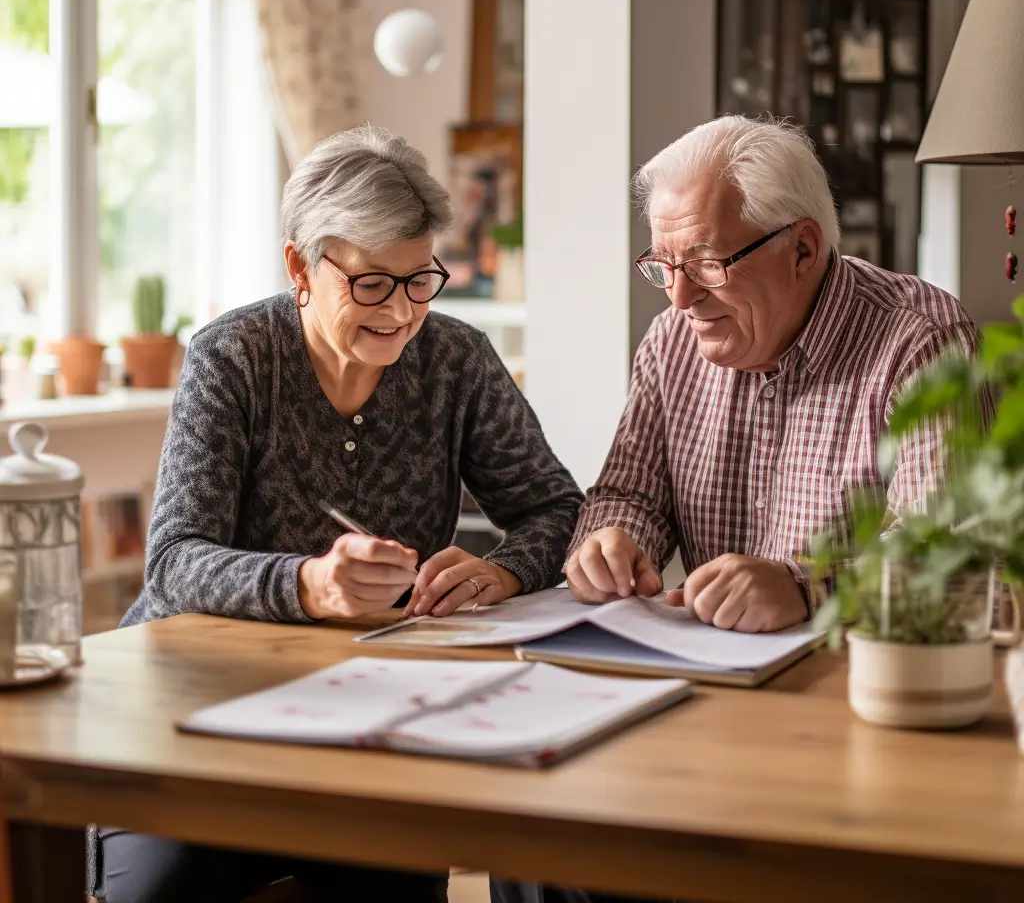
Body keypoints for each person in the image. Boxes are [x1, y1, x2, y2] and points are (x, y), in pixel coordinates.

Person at [493, 115, 982, 903]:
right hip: (699, 707)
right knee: (535, 832)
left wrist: (804, 587)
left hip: (852, 723)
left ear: (803, 250)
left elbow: (951, 558)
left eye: (708, 263)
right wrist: (612, 539)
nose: (681, 296)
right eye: (664, 264)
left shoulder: (919, 340)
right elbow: (626, 493)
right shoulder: (671, 342)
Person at [92, 125, 583, 903]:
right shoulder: (234, 357)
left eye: (421, 279)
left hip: (369, 717)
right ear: (300, 266)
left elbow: (558, 508)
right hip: (193, 713)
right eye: (372, 285)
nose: (403, 311)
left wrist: (503, 569)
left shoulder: (456, 362)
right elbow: (174, 559)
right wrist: (309, 586)